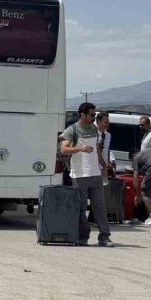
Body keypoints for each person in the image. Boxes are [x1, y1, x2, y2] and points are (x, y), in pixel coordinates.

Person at [60, 102, 114, 246]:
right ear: (82, 114)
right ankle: (83, 236)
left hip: (95, 175)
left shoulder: (94, 129)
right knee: (81, 208)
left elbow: (97, 149)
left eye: (94, 115)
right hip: (79, 175)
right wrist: (80, 148)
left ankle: (104, 237)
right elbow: (63, 150)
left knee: (100, 207)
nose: (93, 117)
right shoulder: (72, 130)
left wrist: (104, 165)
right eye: (91, 115)